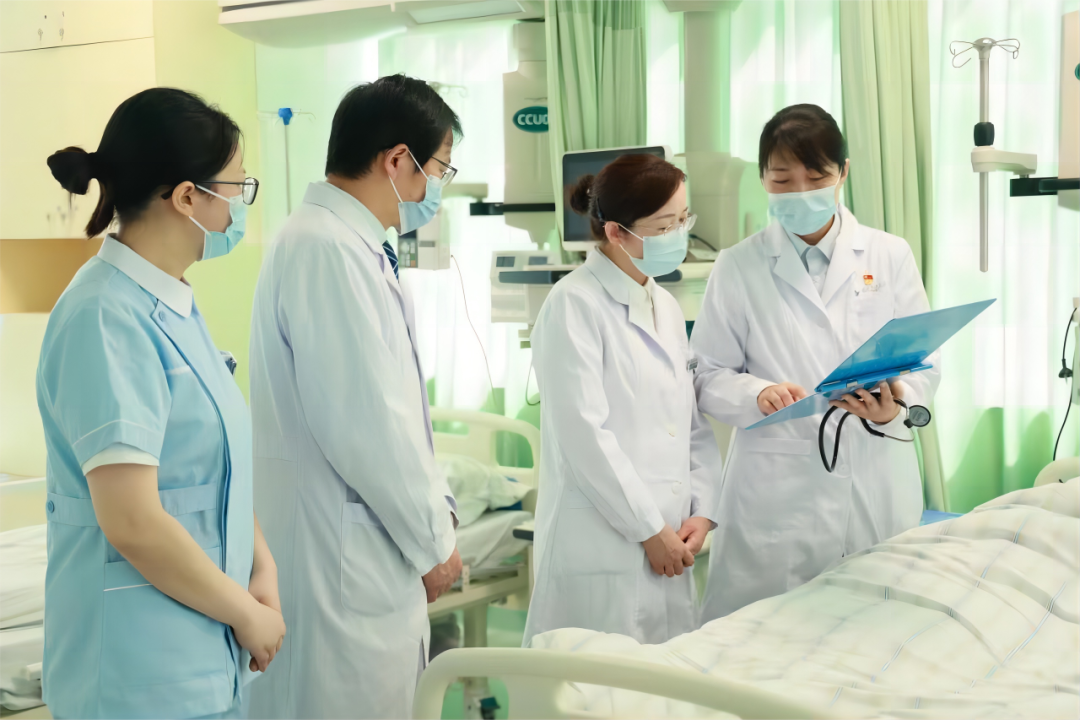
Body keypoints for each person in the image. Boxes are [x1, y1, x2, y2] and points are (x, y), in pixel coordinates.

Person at [37, 88, 284, 720]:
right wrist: (244, 612)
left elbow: (210, 476)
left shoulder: (171, 304)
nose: (241, 204)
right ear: (186, 197)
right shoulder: (103, 315)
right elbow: (133, 520)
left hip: (196, 657)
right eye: (236, 186)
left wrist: (261, 567)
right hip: (136, 671)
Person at [246, 74, 463, 720]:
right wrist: (435, 544)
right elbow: (370, 426)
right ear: (397, 161)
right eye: (439, 170)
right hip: (341, 567)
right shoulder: (326, 248)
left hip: (358, 557)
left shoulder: (349, 244)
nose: (436, 190)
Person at [691, 104, 940, 623]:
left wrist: (897, 407)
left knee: (877, 629)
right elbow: (708, 373)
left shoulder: (888, 255)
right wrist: (755, 394)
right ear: (763, 178)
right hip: (778, 484)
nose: (801, 192)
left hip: (874, 467)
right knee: (759, 636)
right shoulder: (737, 266)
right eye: (783, 179)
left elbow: (924, 359)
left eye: (818, 176)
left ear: (843, 172)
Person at [522, 154, 723, 647]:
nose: (679, 235)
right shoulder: (574, 304)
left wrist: (702, 511)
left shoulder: (665, 305)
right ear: (616, 232)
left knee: (659, 680)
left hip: (671, 541)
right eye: (664, 226)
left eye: (684, 220)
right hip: (603, 544)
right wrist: (650, 531)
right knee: (593, 680)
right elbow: (584, 436)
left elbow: (688, 423)